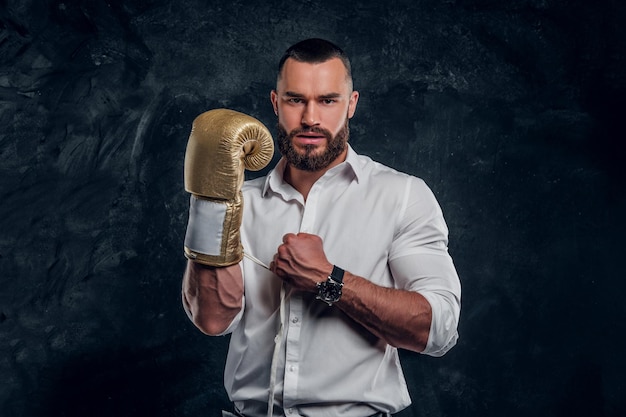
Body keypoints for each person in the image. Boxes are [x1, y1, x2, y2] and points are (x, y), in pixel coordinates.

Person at [181, 38, 461, 417]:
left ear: (352, 104)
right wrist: (210, 200)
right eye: (296, 100)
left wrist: (328, 279)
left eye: (328, 100)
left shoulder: (402, 195)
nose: (310, 118)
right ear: (276, 104)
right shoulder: (238, 203)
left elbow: (438, 329)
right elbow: (212, 320)